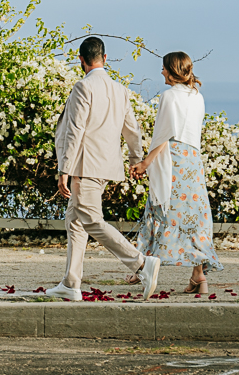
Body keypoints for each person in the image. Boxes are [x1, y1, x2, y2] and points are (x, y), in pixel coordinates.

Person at [46, 36, 161, 302]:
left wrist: (64, 168)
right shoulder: (120, 90)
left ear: (81, 60)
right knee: (75, 221)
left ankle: (141, 263)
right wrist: (135, 159)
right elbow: (132, 129)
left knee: (91, 221)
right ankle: (71, 283)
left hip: (85, 165)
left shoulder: (83, 87)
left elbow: (75, 131)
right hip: (106, 165)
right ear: (105, 58)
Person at [130, 51, 223, 295]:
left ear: (172, 70)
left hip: (173, 159)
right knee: (195, 217)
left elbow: (163, 135)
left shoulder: (169, 96)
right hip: (193, 160)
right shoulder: (197, 96)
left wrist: (145, 163)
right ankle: (199, 276)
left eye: (163, 68)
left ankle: (141, 267)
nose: (161, 72)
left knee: (159, 210)